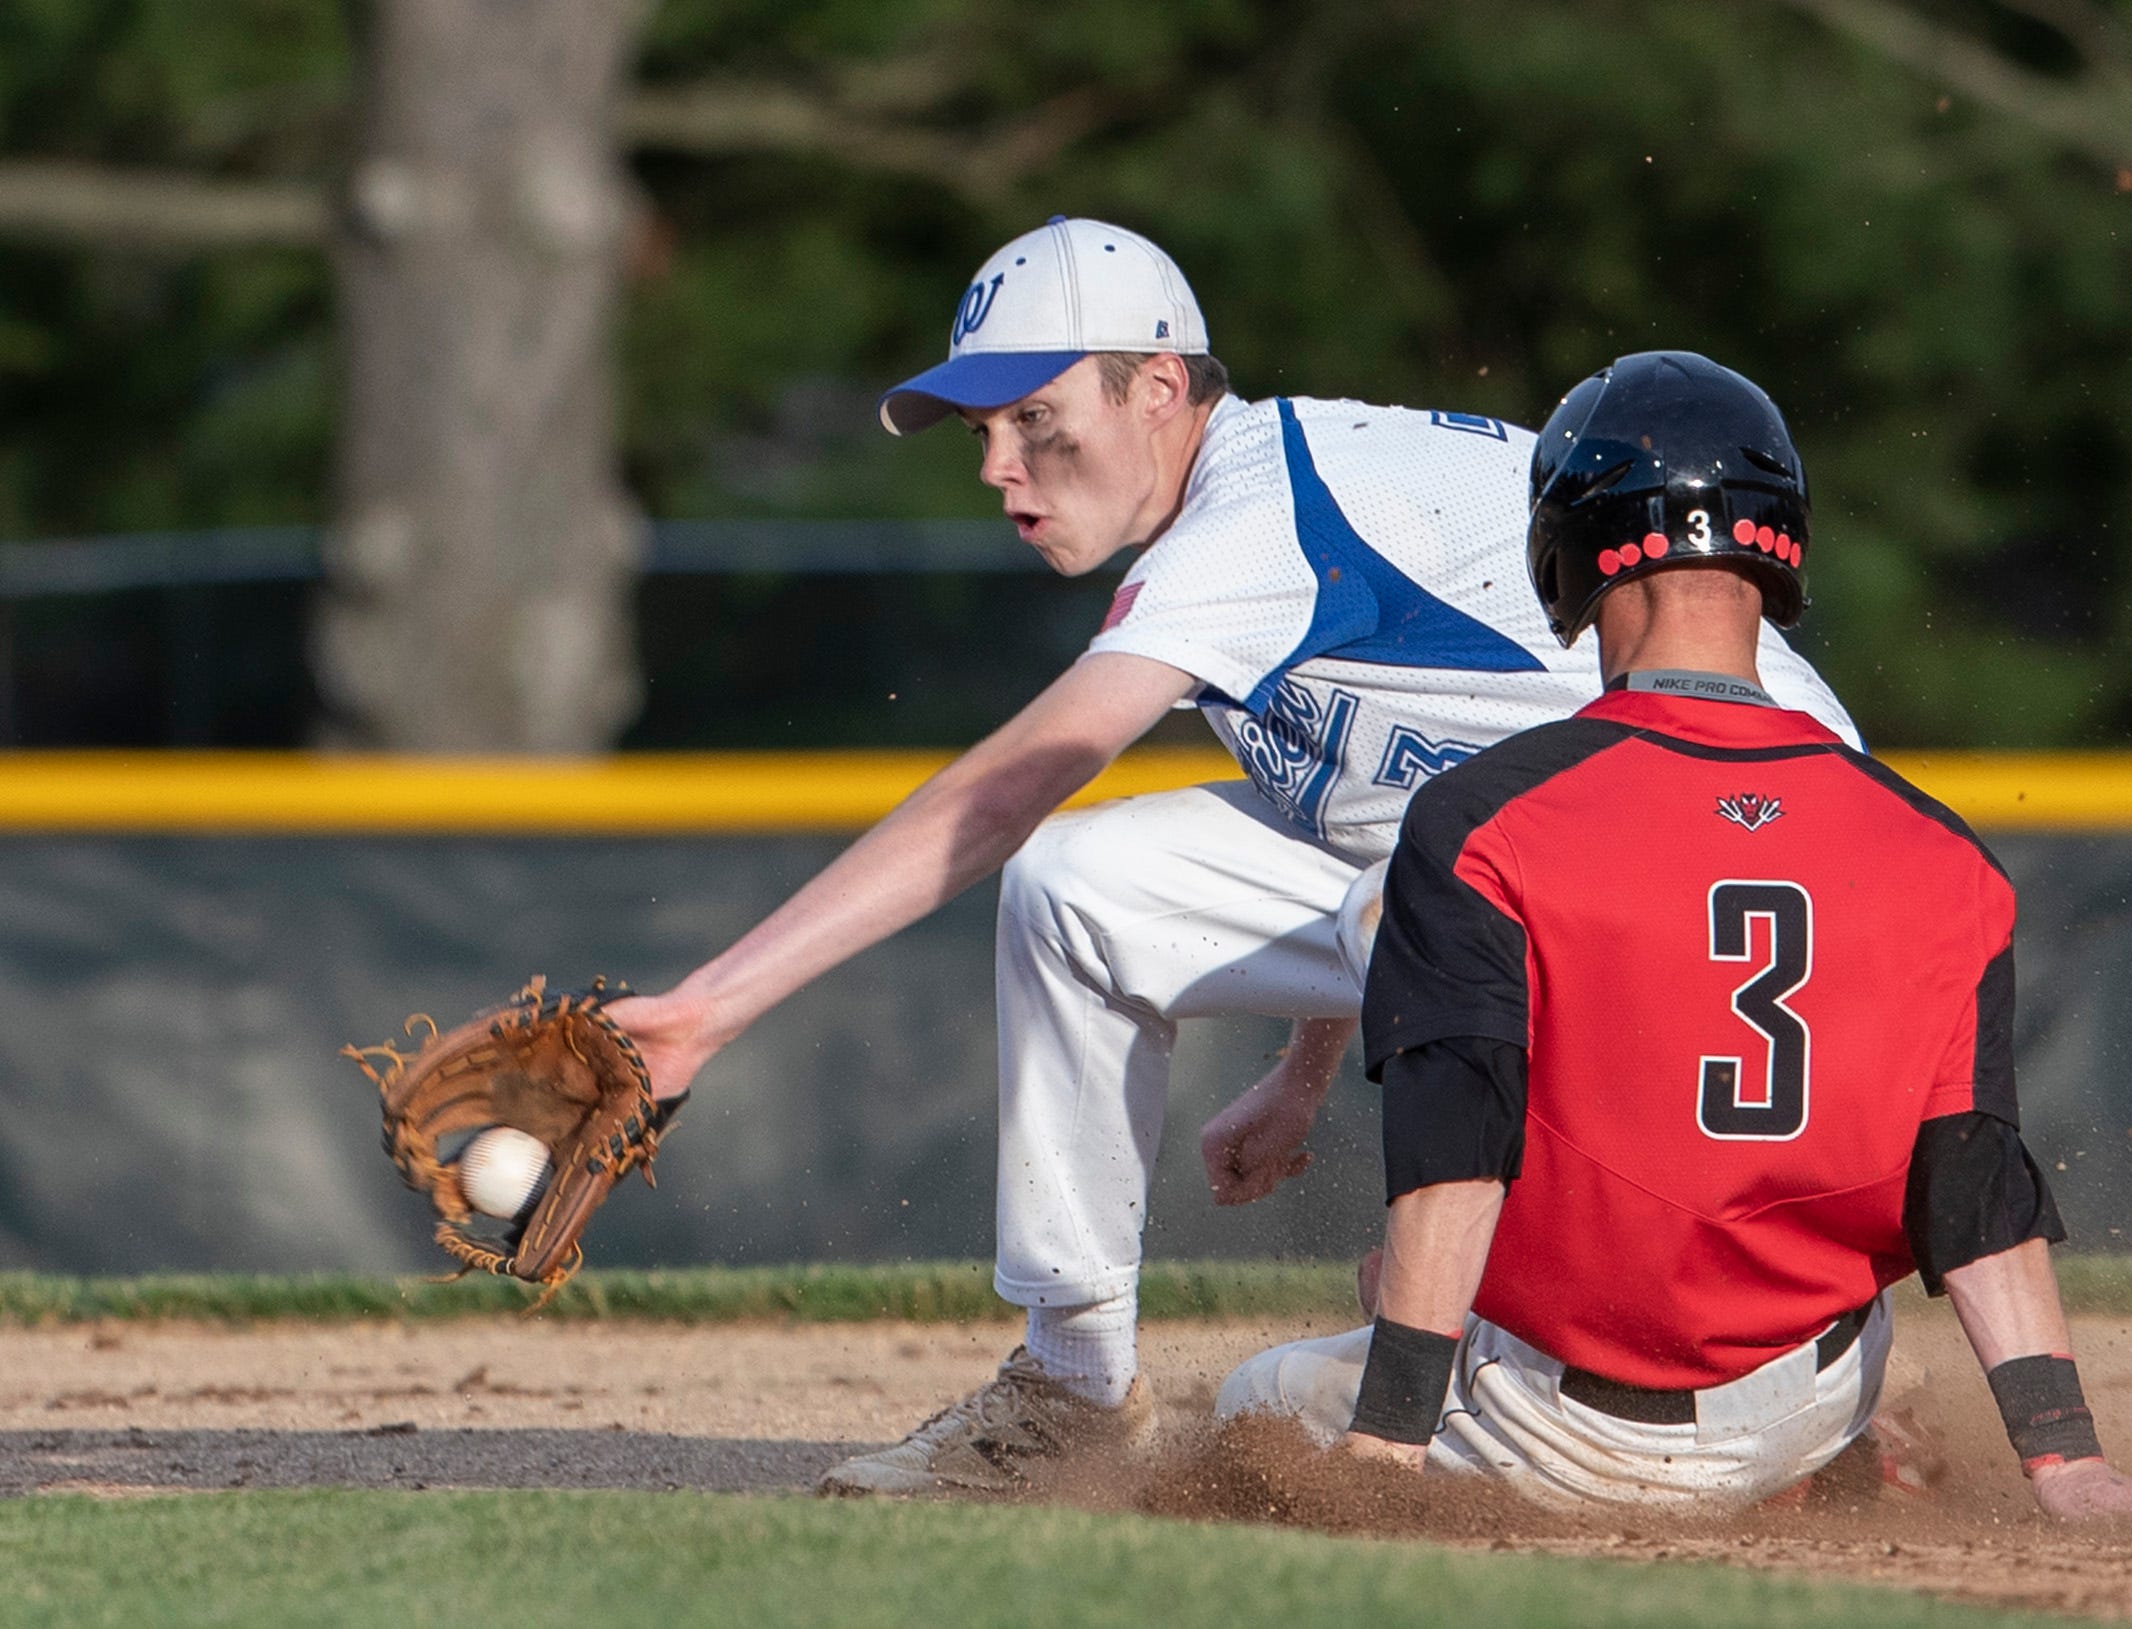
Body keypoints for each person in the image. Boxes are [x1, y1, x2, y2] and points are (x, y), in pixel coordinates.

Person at [605, 220, 1862, 1495]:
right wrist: (1300, 1074)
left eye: (1034, 418)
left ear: (1156, 389)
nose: (997, 463)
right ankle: (1069, 1385)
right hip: (1631, 874)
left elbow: (1008, 787)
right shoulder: (1268, 508)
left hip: (1764, 857)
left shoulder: (1251, 527)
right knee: (1075, 892)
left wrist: (705, 1013)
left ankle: (1773, 1356)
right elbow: (1391, 801)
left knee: (1097, 861)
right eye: (980, 430)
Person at [1216, 351, 2132, 1521]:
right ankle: (1828, 1453)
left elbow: (1455, 1151)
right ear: (1780, 550)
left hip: (1568, 1438)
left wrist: (1383, 1455)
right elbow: (1971, 1181)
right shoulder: (1939, 849)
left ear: (1564, 553)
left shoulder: (1483, 820)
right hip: (1818, 1393)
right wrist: (2066, 1461)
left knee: (1252, 1402)